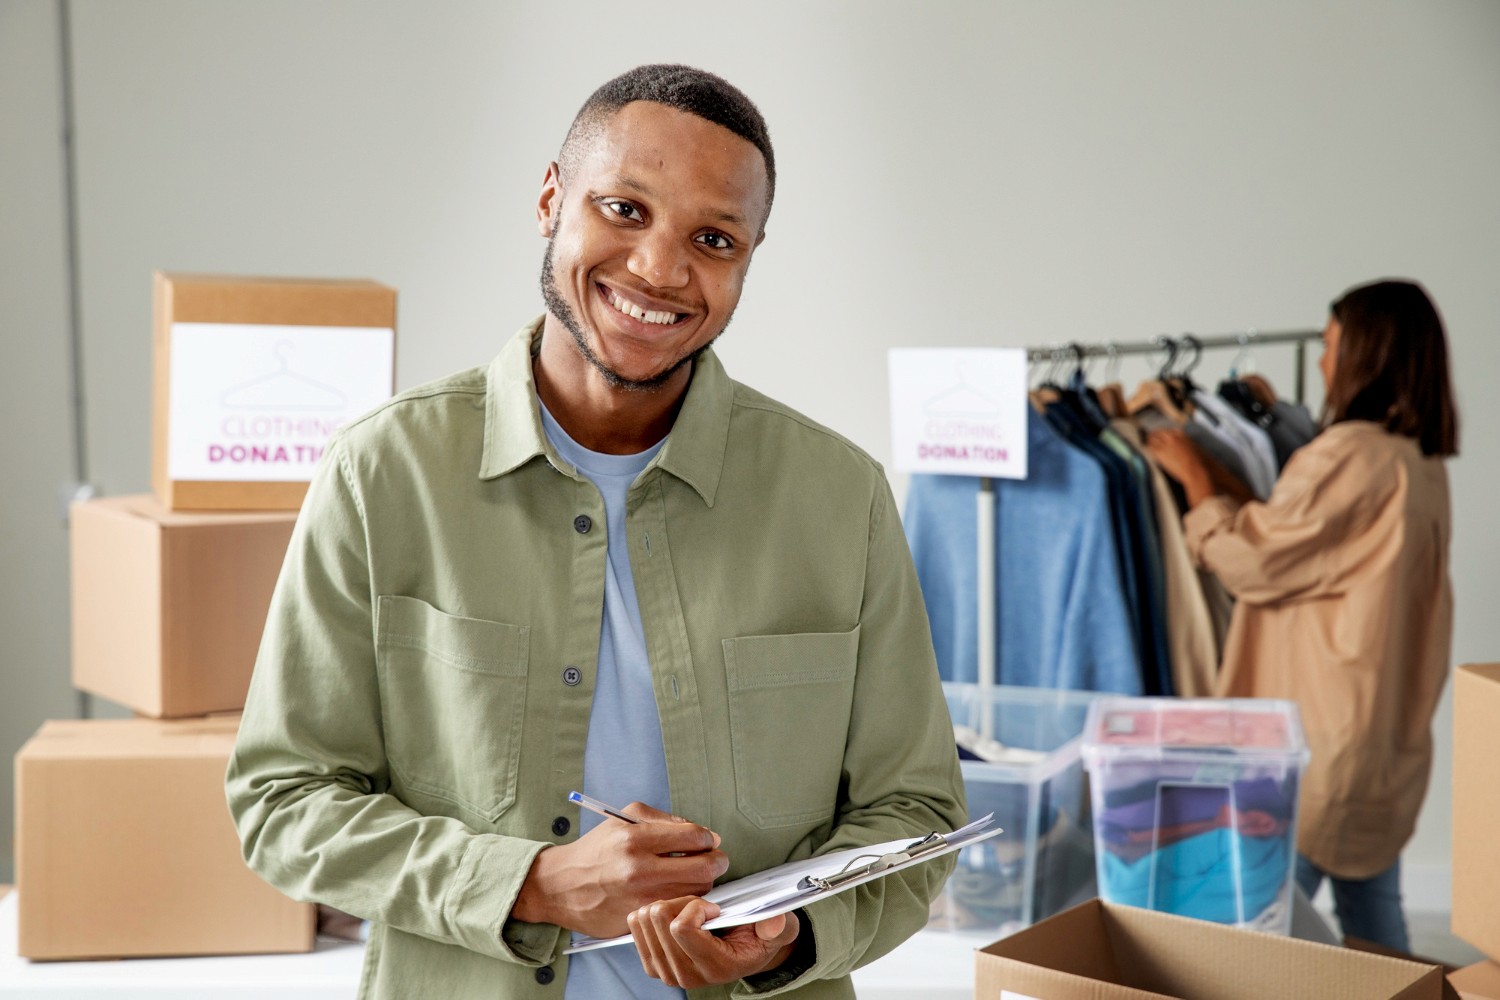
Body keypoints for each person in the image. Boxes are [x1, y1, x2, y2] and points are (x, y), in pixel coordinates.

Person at [225, 64, 965, 1000]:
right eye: (624, 209)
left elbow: (917, 811)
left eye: (713, 237)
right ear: (550, 199)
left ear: (749, 256)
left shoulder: (841, 497)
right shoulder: (383, 472)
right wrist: (533, 884)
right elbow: (284, 801)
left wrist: (790, 935)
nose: (661, 268)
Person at [1147, 279, 1458, 951]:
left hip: (1320, 740)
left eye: (1329, 344)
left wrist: (1195, 477)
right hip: (1382, 734)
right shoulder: (1420, 460)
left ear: (1362, 355)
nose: (1320, 361)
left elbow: (1251, 560)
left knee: (1251, 937)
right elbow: (1296, 539)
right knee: (1375, 919)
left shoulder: (1349, 456)